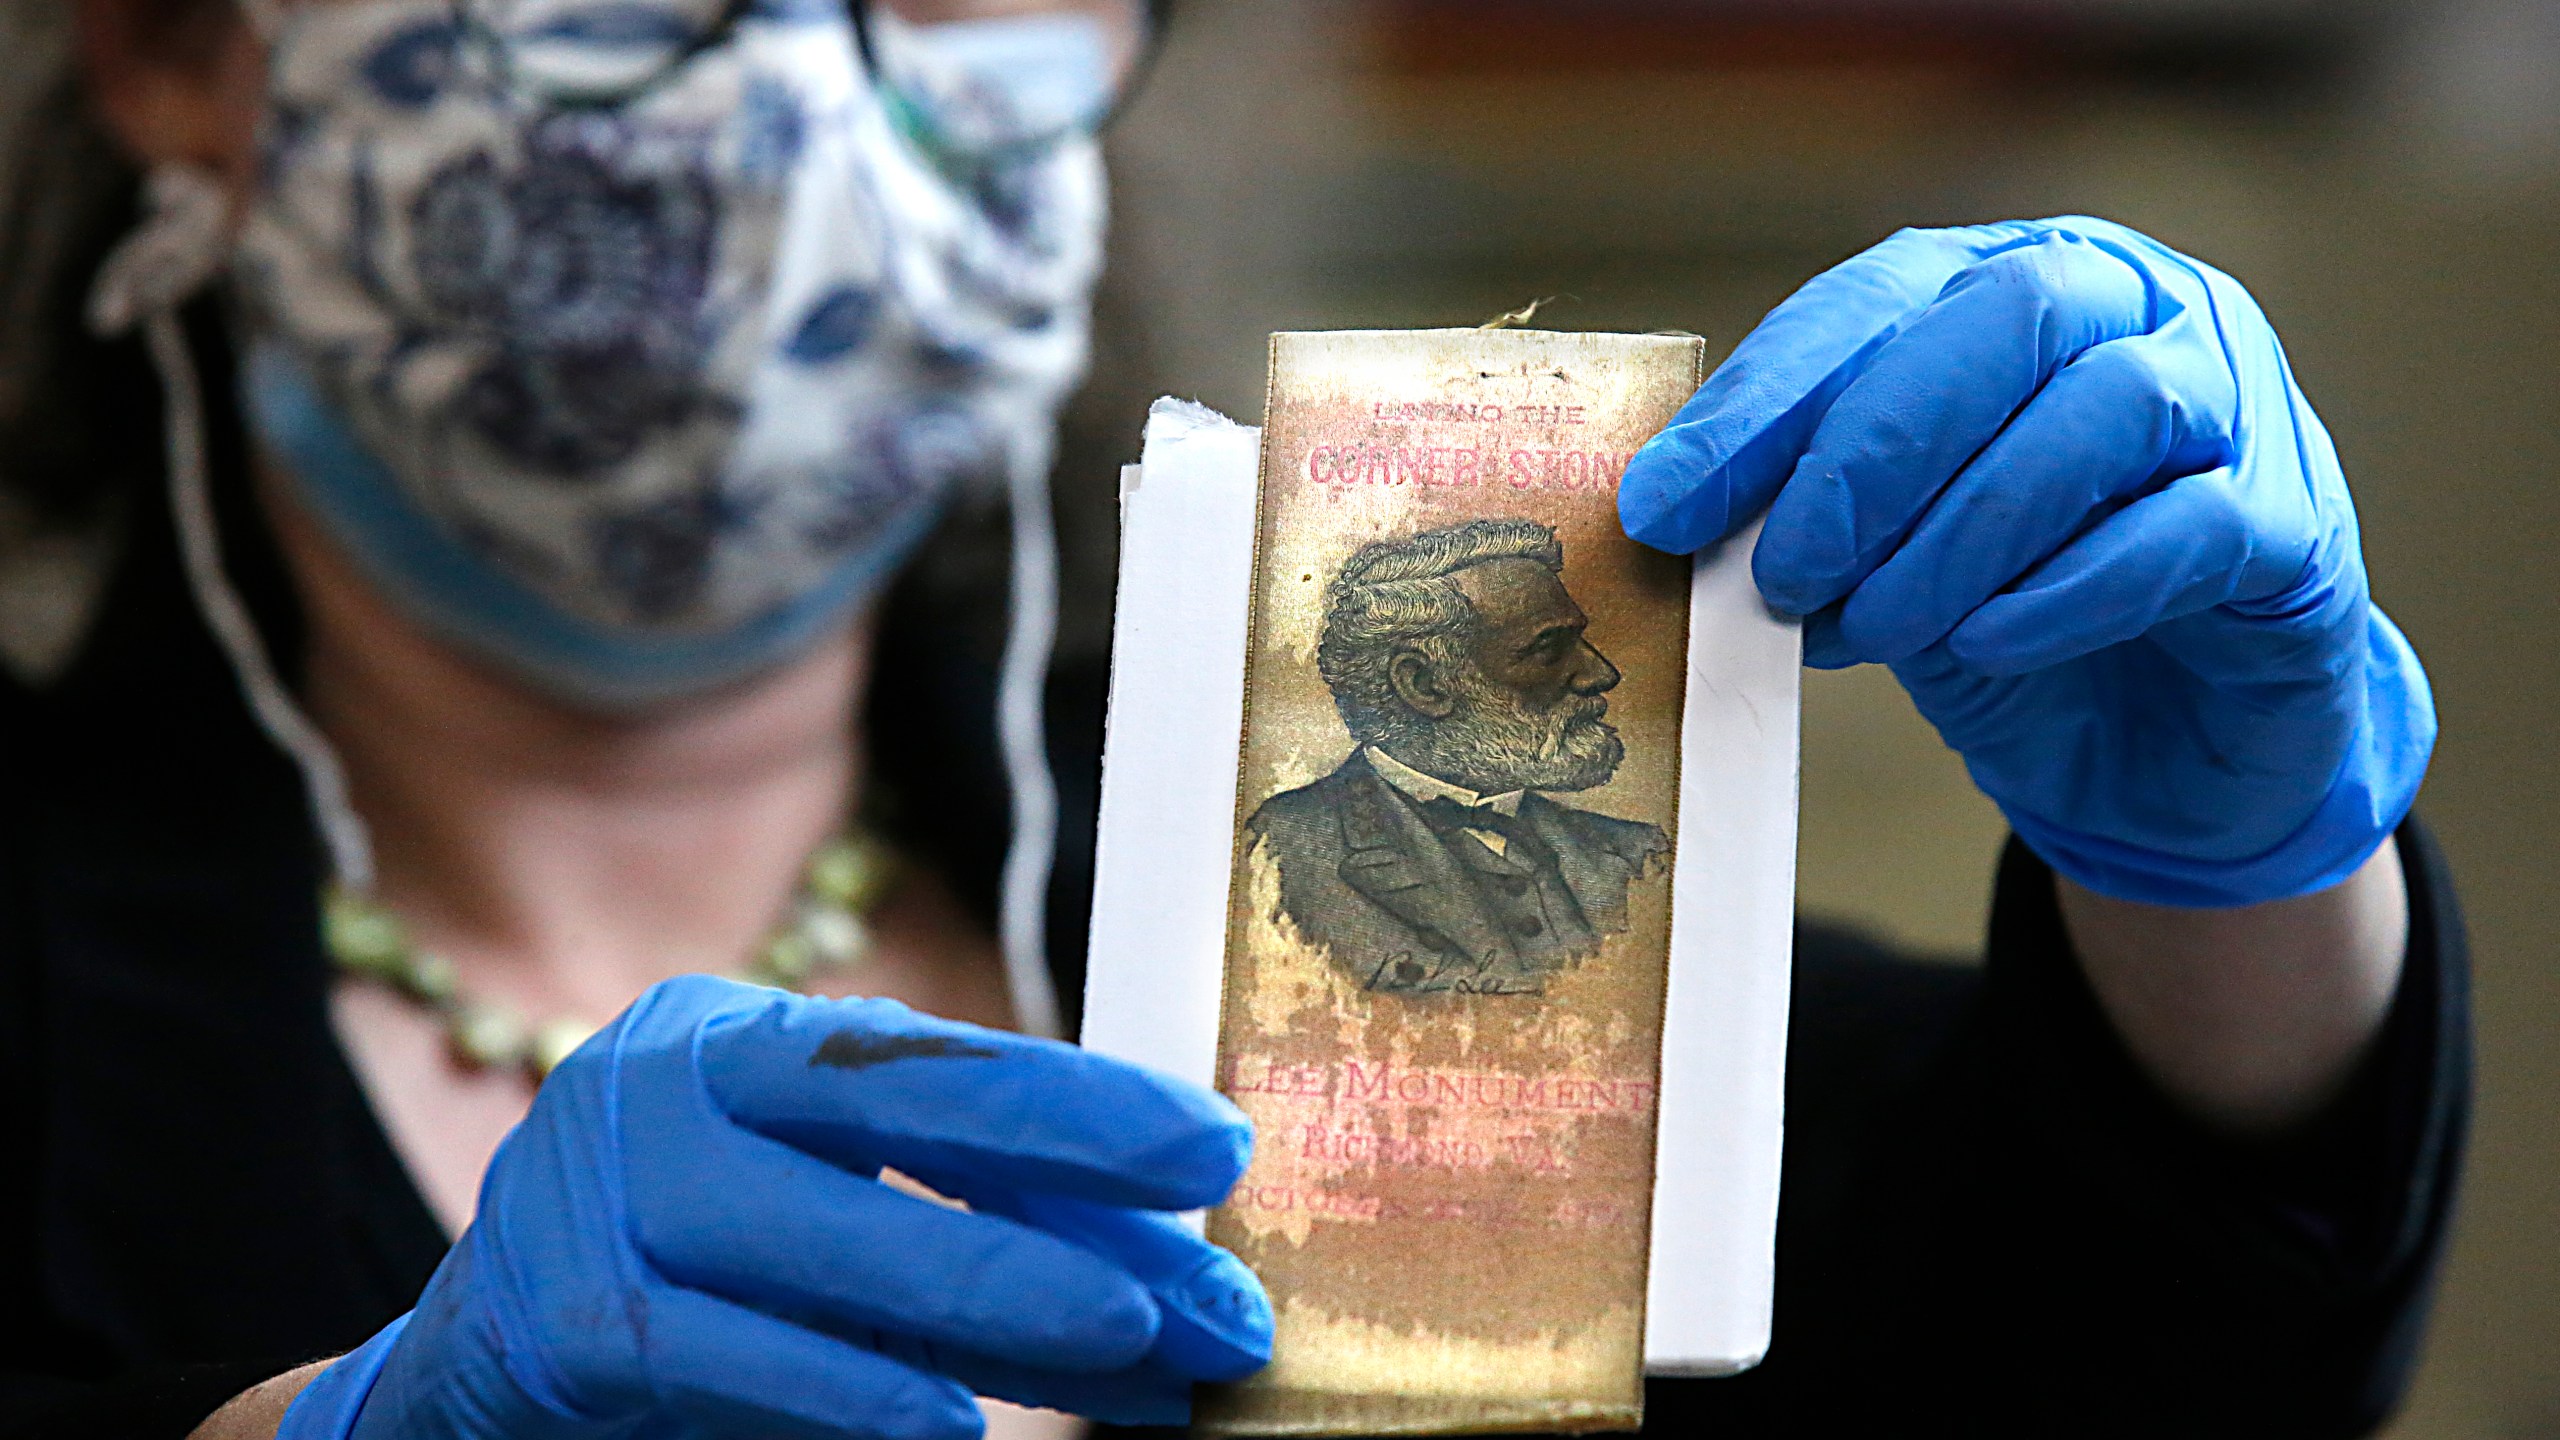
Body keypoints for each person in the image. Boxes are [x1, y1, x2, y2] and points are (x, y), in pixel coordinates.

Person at [0, 0, 2463, 1437]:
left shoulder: (1404, 855)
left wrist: (2239, 887)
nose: (801, 110)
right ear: (176, 61)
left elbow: (2105, 1353)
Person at [1248, 516, 1667, 997]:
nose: (1601, 673)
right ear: (1424, 685)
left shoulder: (1638, 855)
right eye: (1549, 649)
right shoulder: (1278, 853)